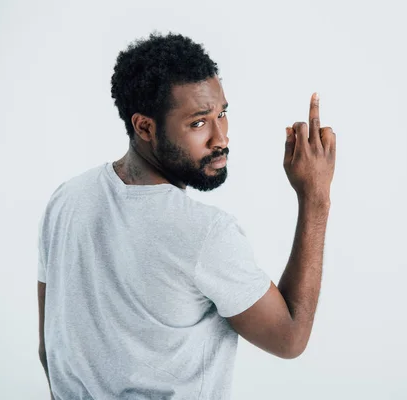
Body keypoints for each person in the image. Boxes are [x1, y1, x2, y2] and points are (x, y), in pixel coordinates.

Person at [37, 32, 336, 400]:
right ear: (145, 127)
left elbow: (47, 350)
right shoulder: (205, 233)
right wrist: (315, 197)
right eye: (198, 123)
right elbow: (289, 338)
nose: (220, 138)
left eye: (222, 114)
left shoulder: (67, 200)